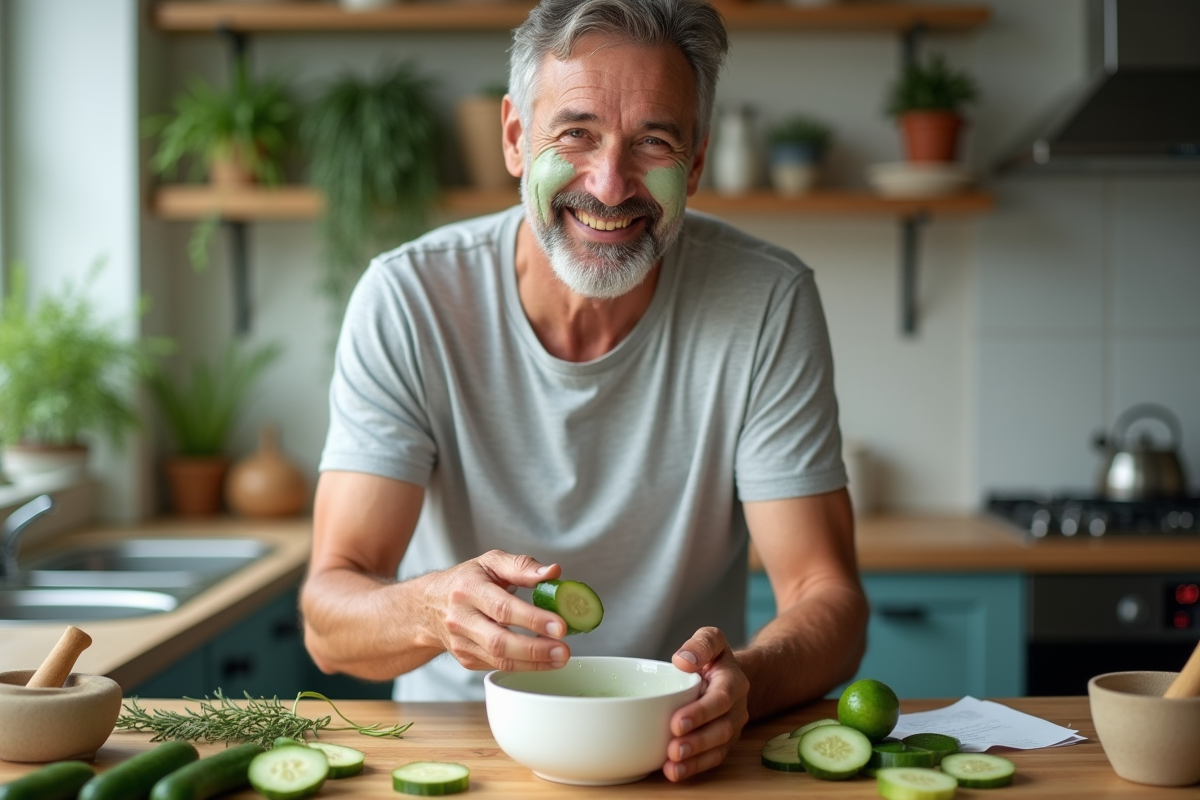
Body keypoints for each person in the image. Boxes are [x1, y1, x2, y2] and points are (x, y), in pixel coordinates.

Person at [301, 0, 869, 782]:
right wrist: (432, 609)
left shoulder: (766, 300)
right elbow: (330, 618)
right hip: (462, 750)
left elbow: (826, 597)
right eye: (575, 134)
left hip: (680, 750)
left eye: (654, 142)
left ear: (695, 165)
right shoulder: (408, 299)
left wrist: (748, 684)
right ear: (514, 138)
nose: (609, 185)